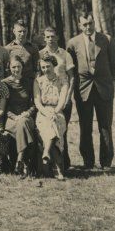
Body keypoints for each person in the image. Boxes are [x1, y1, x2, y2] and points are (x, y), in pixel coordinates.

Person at [66, 12, 115, 169]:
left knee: (105, 126)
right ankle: (88, 162)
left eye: (90, 23)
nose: (88, 27)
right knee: (85, 126)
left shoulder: (107, 40)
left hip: (104, 89)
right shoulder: (73, 43)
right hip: (83, 90)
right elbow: (71, 68)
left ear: (94, 22)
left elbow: (114, 65)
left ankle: (106, 161)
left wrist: (106, 80)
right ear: (79, 25)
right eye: (84, 24)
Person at [41, 26, 75, 167]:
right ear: (44, 38)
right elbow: (39, 78)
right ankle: (49, 164)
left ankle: (64, 163)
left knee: (62, 131)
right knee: (48, 130)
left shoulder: (65, 54)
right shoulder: (40, 54)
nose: (50, 39)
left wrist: (68, 97)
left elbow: (72, 77)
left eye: (53, 36)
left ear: (57, 37)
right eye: (48, 37)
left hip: (63, 97)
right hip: (47, 100)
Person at [34, 54, 70, 180]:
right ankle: (57, 167)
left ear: (53, 65)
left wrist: (54, 112)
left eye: (48, 66)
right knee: (50, 125)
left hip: (57, 112)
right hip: (43, 113)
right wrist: (47, 113)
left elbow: (62, 101)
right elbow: (37, 102)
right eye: (43, 67)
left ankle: (46, 152)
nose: (46, 69)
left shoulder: (63, 81)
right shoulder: (38, 81)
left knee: (54, 123)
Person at [3, 55, 37, 177]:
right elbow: (4, 107)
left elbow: (34, 104)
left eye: (18, 66)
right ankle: (23, 161)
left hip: (27, 117)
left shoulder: (29, 82)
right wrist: (15, 117)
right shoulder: (4, 83)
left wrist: (28, 113)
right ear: (9, 68)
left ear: (22, 67)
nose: (16, 69)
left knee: (23, 123)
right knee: (21, 124)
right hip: (11, 120)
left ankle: (20, 159)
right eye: (13, 67)